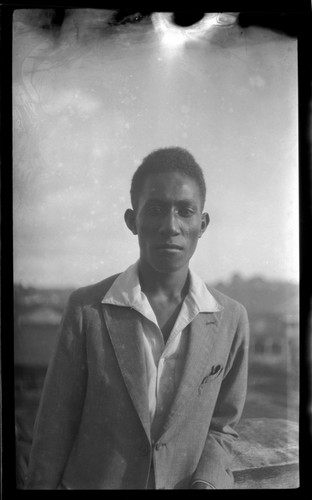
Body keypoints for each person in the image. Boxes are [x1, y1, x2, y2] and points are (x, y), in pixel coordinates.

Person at [25, 147, 249, 490]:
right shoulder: (87, 310)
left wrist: (207, 481)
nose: (170, 226)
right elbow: (54, 426)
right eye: (156, 209)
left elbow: (222, 427)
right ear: (133, 220)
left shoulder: (231, 319)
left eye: (185, 211)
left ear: (202, 224)